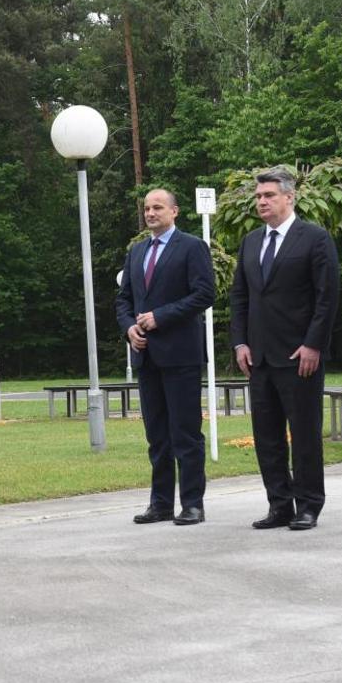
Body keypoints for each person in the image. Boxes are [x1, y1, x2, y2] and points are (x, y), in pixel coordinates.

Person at [229, 167, 338, 531]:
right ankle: (279, 504)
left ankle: (309, 505)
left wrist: (313, 344)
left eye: (269, 196)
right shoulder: (250, 242)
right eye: (259, 196)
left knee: (305, 434)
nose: (261, 201)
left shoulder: (315, 239)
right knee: (267, 436)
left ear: (289, 198)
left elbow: (326, 298)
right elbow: (240, 297)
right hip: (258, 357)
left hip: (299, 357)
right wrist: (240, 341)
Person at [115, 189, 216, 525]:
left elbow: (204, 294)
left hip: (181, 355)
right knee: (156, 435)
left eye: (157, 207)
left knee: (185, 433)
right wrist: (130, 327)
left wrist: (160, 316)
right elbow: (124, 299)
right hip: (146, 357)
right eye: (146, 208)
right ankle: (160, 503)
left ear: (175, 211)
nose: (150, 212)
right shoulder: (136, 251)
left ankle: (192, 504)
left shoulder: (191, 247)